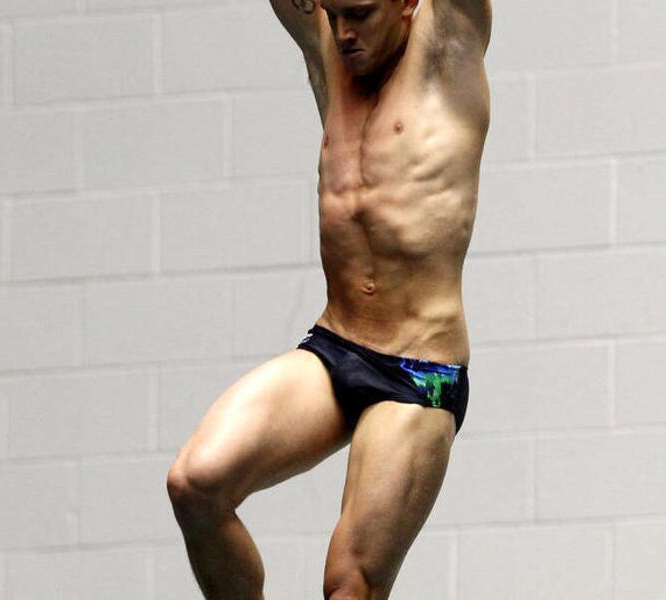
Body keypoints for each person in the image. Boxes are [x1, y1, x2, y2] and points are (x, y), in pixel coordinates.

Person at [166, 0, 492, 597]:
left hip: (418, 375)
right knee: (196, 483)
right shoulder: (328, 46)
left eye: (360, 14)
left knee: (349, 583)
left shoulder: (448, 50)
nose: (343, 33)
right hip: (334, 348)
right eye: (335, 13)